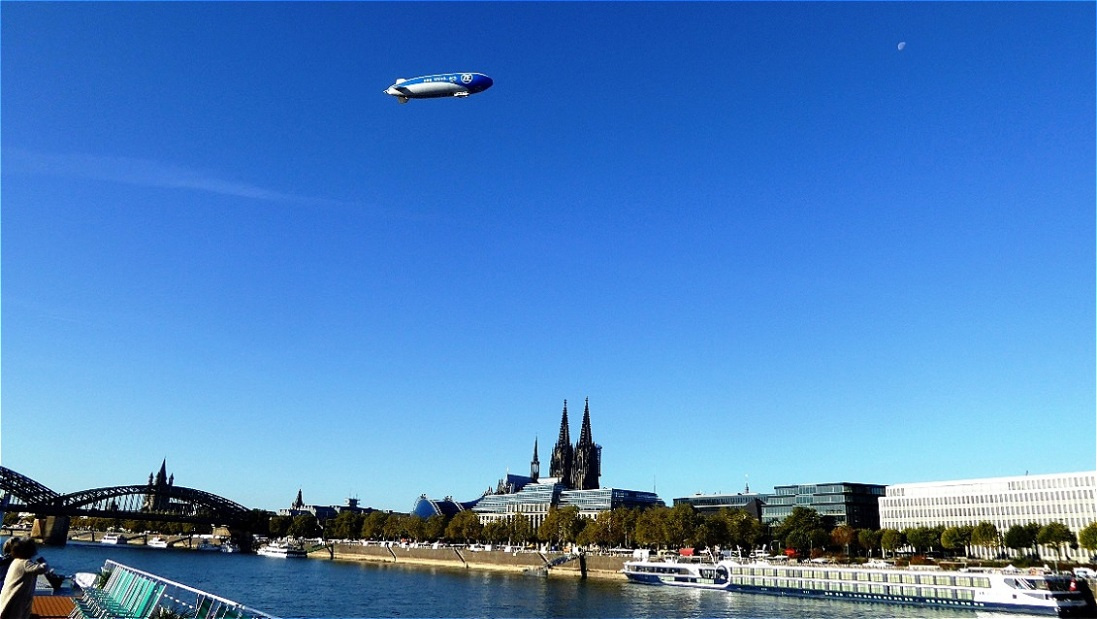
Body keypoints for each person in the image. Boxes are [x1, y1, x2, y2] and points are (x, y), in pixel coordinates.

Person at [0, 538, 50, 619]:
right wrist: (41, 559)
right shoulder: (25, 563)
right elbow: (43, 568)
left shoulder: (16, 561)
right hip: (16, 601)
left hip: (11, 599)